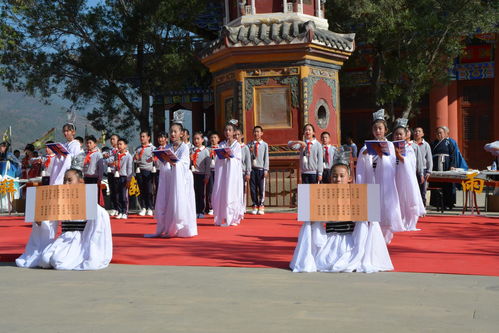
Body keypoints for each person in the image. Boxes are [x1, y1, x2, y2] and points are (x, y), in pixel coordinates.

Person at [290, 152, 393, 273]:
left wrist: (368, 213)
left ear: (349, 178)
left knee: (365, 223)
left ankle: (361, 254)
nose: (337, 179)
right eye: (334, 176)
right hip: (329, 239)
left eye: (341, 176)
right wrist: (310, 214)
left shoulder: (358, 195)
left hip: (351, 239)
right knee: (321, 253)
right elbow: (315, 224)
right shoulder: (322, 195)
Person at [16, 168, 113, 270]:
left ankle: (76, 255)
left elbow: (99, 224)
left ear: (81, 181)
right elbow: (50, 222)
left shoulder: (91, 204)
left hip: (80, 240)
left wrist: (87, 246)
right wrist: (40, 222)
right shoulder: (60, 202)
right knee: (44, 259)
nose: (66, 183)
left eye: (70, 180)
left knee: (59, 262)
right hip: (64, 238)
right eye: (64, 181)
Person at [356, 109, 403, 243]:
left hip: (384, 180)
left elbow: (393, 163)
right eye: (375, 128)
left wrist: (383, 155)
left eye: (380, 128)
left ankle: (385, 234)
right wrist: (364, 155)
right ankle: (372, 233)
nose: (378, 131)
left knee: (385, 205)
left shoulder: (389, 145)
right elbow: (361, 164)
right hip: (372, 178)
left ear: (385, 129)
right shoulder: (366, 146)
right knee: (372, 205)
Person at [145, 122, 197, 238]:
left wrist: (171, 162)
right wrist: (158, 158)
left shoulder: (184, 147)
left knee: (181, 201)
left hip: (182, 180)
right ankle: (169, 227)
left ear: (181, 133)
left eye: (175, 131)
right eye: (171, 131)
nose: (172, 134)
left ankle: (183, 228)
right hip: (170, 178)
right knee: (168, 200)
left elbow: (184, 164)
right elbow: (164, 163)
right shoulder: (168, 147)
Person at [392, 120, 425, 231]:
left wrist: (399, 156)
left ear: (406, 135)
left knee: (406, 197)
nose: (398, 136)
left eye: (400, 134)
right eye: (396, 134)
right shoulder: (390, 147)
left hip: (405, 178)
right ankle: (396, 220)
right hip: (394, 176)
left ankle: (408, 221)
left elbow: (410, 163)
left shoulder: (409, 147)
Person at [212, 122, 244, 227]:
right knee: (222, 193)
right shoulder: (221, 144)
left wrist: (230, 157)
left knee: (232, 192)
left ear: (234, 132)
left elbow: (237, 160)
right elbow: (217, 159)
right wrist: (222, 156)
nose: (227, 132)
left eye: (230, 130)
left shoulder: (237, 145)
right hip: (223, 174)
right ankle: (223, 216)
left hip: (232, 176)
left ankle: (233, 217)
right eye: (226, 130)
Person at [430, 126, 456, 210]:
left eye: (440, 133)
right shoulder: (433, 143)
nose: (439, 134)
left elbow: (453, 155)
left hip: (446, 165)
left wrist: (452, 165)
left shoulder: (449, 143)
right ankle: (436, 203)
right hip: (436, 165)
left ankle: (449, 203)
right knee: (436, 184)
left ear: (445, 134)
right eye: (437, 133)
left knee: (447, 184)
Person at [248, 126, 269, 215]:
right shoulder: (249, 145)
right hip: (252, 169)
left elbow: (266, 158)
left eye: (258, 132)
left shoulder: (264, 145)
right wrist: (250, 151)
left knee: (261, 188)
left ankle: (261, 204)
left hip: (261, 169)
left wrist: (266, 169)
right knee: (253, 189)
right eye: (255, 132)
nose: (256, 133)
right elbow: (247, 157)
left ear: (261, 133)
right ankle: (255, 204)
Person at [133, 131, 155, 216]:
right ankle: (143, 207)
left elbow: (156, 159)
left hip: (149, 171)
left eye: (143, 136)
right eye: (141, 137)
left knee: (149, 190)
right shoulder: (138, 148)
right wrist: (135, 158)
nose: (142, 138)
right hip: (139, 171)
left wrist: (154, 159)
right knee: (141, 190)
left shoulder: (152, 148)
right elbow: (135, 160)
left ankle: (150, 207)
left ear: (148, 137)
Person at [191, 131, 210, 219]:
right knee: (194, 193)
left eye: (198, 139)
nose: (196, 141)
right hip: (193, 174)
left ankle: (201, 210)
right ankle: (195, 210)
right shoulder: (192, 150)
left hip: (202, 174)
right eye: (194, 139)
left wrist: (207, 176)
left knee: (202, 193)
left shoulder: (206, 151)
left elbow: (208, 165)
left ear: (202, 140)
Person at [413, 127, 433, 206]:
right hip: (413, 169)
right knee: (414, 189)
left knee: (422, 190)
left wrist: (429, 171)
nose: (417, 133)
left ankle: (423, 206)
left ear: (422, 134)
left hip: (423, 169)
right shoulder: (411, 144)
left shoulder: (426, 145)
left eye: (419, 131)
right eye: (415, 131)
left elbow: (429, 159)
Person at [115, 138, 133, 219]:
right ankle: (119, 211)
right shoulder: (116, 155)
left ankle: (125, 211)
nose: (119, 146)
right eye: (118, 144)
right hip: (116, 176)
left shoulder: (128, 156)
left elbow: (129, 168)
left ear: (125, 145)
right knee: (117, 195)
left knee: (124, 195)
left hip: (124, 177)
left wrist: (129, 179)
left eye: (121, 144)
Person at [235, 128, 251, 214]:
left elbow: (248, 161)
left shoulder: (245, 148)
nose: (237, 137)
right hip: (234, 172)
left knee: (242, 190)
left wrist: (248, 172)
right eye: (235, 135)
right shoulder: (233, 147)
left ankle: (242, 207)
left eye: (238, 135)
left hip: (242, 172)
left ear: (242, 136)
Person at [204, 131, 220, 215]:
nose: (213, 139)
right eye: (212, 138)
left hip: (218, 171)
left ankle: (218, 206)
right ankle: (210, 207)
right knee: (210, 189)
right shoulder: (207, 149)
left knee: (218, 188)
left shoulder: (220, 148)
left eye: (215, 137)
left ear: (218, 139)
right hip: (210, 171)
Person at [105, 134, 120, 216]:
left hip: (117, 172)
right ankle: (114, 207)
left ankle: (119, 208)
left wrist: (109, 159)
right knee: (112, 190)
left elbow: (115, 160)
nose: (112, 141)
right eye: (111, 139)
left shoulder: (119, 149)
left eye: (113, 139)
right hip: (110, 171)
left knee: (117, 190)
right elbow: (106, 160)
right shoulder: (109, 150)